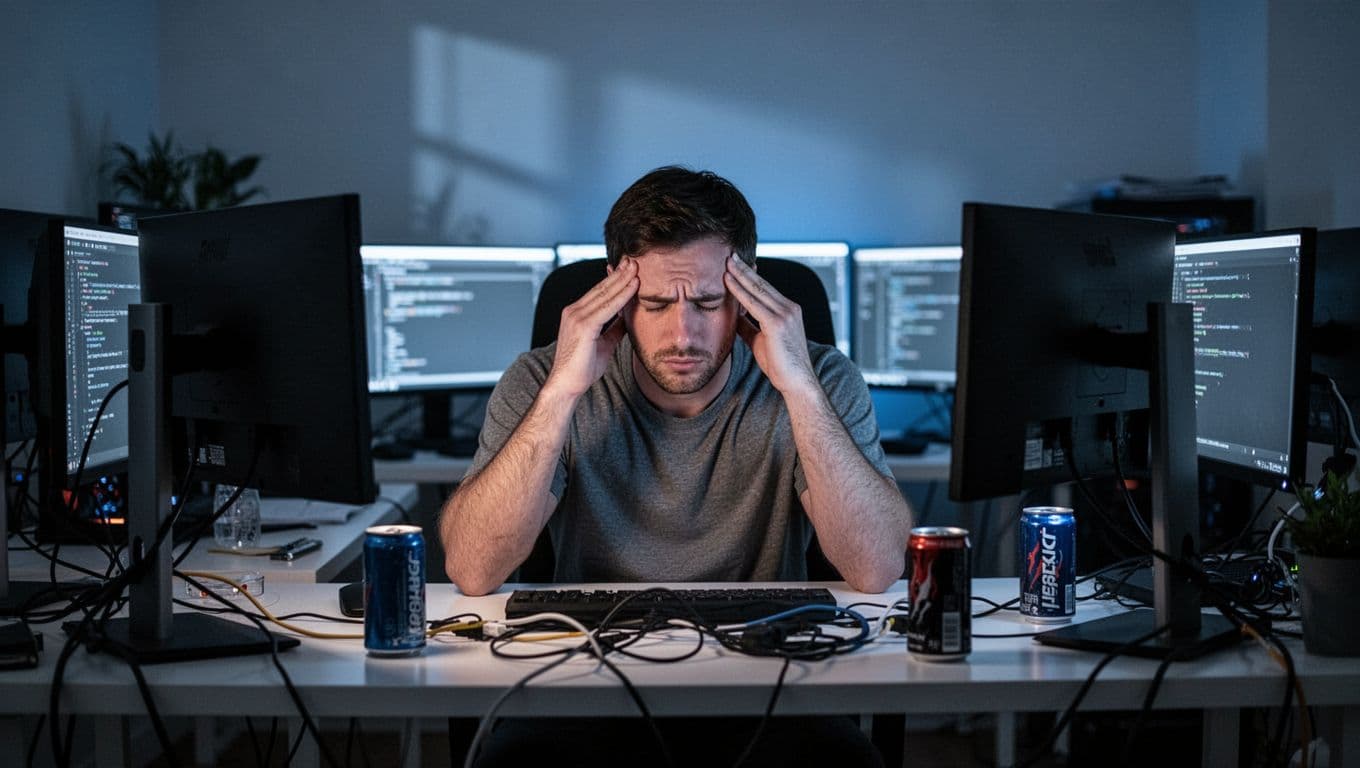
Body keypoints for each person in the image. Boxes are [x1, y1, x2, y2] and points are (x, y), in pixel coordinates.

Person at [441, 166, 908, 767]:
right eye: (655, 303)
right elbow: (473, 570)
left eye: (709, 302)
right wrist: (562, 391)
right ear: (615, 291)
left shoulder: (821, 379)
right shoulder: (539, 380)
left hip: (769, 685)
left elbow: (875, 569)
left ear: (746, 291)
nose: (682, 333)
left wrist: (801, 390)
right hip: (588, 684)